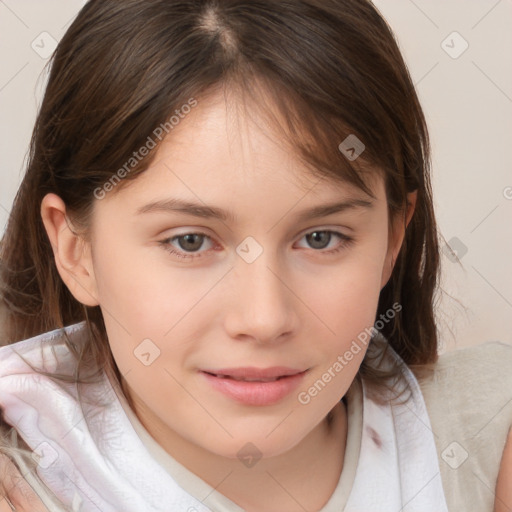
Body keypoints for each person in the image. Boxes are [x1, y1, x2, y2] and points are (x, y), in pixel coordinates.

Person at [0, 0, 510, 511]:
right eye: (190, 241)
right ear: (76, 251)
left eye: (321, 238)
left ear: (392, 241)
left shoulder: (487, 439)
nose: (264, 319)